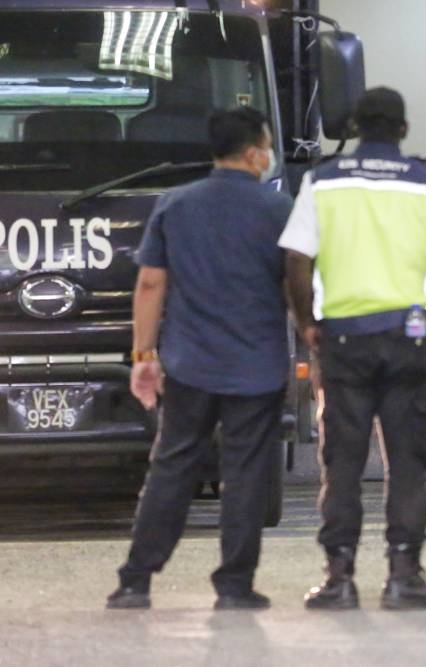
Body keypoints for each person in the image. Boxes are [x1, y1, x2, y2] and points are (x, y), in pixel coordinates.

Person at [280, 87, 426, 611]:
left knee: (341, 459)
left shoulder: (322, 180)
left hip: (342, 337)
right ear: (403, 129)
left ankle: (339, 578)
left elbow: (297, 259)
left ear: (355, 127)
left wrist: (307, 321)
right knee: (407, 459)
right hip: (410, 338)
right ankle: (404, 575)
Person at [106, 107, 292, 611]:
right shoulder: (280, 210)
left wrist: (143, 354)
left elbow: (150, 283)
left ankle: (135, 581)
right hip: (257, 366)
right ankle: (234, 586)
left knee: (172, 467)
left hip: (189, 363)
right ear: (256, 151)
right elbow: (296, 286)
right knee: (247, 474)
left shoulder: (175, 204)